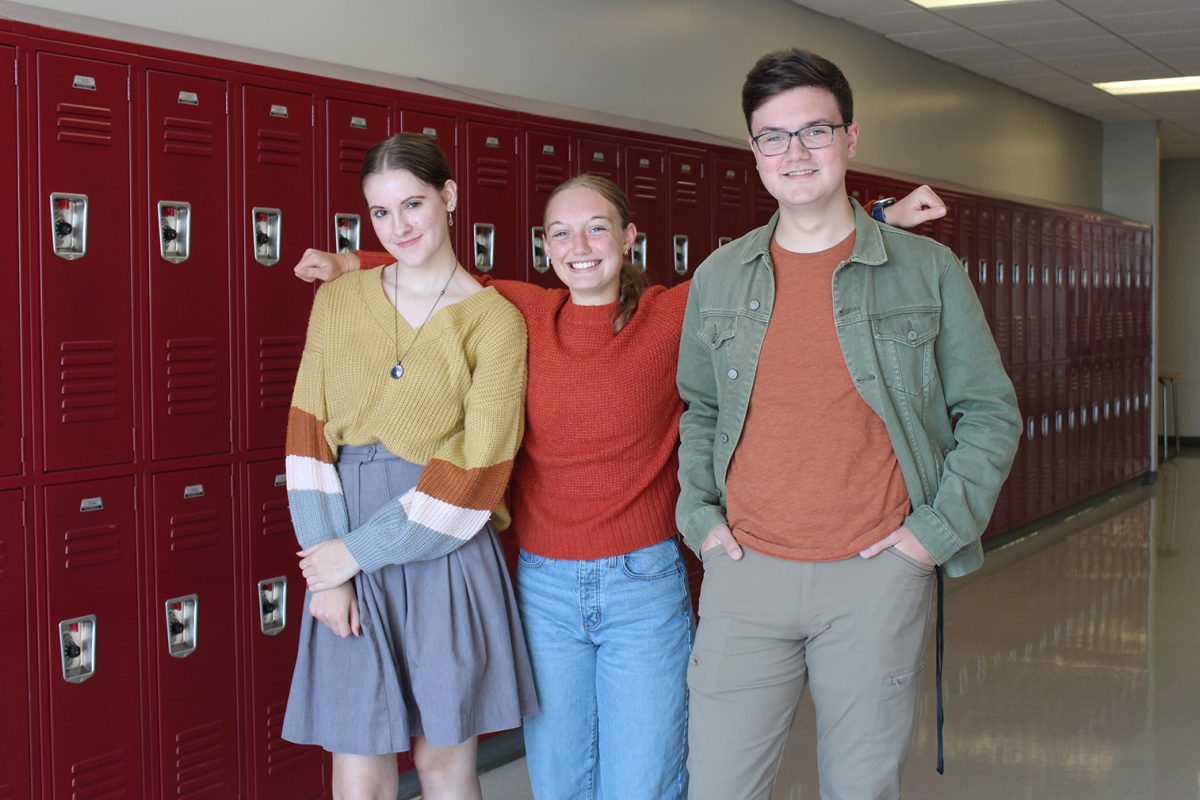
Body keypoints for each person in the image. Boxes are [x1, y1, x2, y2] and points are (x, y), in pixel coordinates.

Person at [295, 173, 943, 798]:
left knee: (644, 782)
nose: (579, 248)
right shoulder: (522, 311)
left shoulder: (669, 316)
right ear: (545, 246)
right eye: (561, 234)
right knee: (560, 783)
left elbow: (770, 260)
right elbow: (431, 264)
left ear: (630, 236)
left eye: (597, 229)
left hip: (642, 589)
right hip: (544, 591)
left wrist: (879, 217)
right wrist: (351, 263)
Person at [675, 49, 1022, 800]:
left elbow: (990, 412)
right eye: (774, 136)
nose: (795, 153)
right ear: (754, 152)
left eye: (815, 131)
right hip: (743, 573)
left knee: (861, 789)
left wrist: (929, 538)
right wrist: (699, 518)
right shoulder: (719, 276)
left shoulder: (927, 270)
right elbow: (700, 408)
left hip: (875, 573)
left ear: (851, 138)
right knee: (718, 787)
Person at [282, 132, 537, 800]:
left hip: (442, 550)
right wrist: (327, 569)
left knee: (442, 764)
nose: (399, 227)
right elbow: (307, 439)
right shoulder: (338, 300)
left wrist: (354, 554)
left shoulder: (494, 323)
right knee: (358, 763)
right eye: (381, 213)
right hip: (341, 540)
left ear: (450, 197)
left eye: (414, 204)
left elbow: (478, 472)